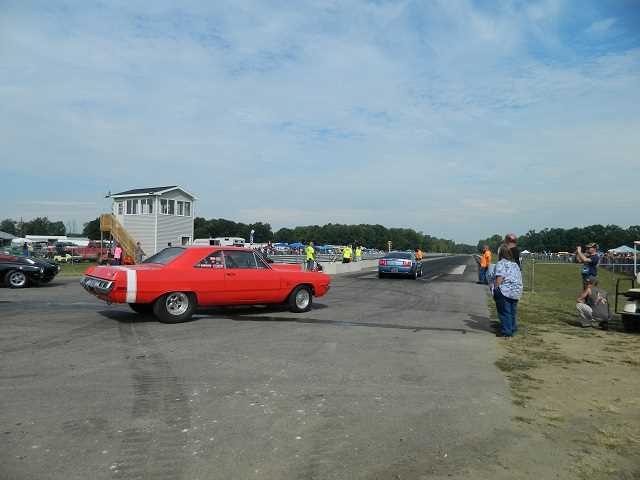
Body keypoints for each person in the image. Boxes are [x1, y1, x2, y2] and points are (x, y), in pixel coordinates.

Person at [493, 244, 523, 338]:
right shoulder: (515, 264)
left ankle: (507, 332)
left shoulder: (501, 264)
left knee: (504, 312)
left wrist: (495, 289)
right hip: (516, 291)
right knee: (512, 311)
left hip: (505, 291)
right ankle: (512, 328)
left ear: (500, 254)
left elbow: (499, 278)